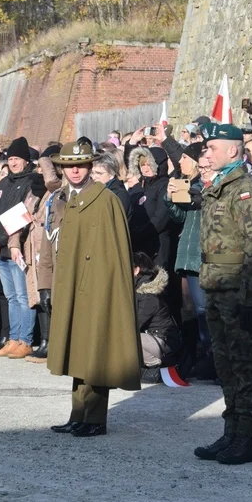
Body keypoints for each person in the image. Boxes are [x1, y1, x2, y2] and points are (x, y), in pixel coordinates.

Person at [47, 140, 141, 438]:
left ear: (89, 167)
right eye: (69, 167)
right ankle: (78, 414)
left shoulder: (105, 200)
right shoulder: (71, 199)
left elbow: (114, 252)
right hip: (75, 286)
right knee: (78, 350)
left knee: (96, 350)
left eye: (80, 165)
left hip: (98, 288)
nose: (75, 171)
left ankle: (95, 418)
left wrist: (106, 292)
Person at [194, 124, 252, 465]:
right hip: (215, 287)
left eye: (212, 148)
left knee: (244, 365)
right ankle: (230, 431)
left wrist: (250, 298)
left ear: (234, 151)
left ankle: (246, 438)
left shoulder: (245, 191)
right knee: (224, 364)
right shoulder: (217, 189)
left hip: (238, 293)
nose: (206, 154)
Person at [0, 137, 45, 359]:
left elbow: (23, 216)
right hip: (0, 250)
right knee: (10, 297)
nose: (13, 163)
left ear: (26, 160)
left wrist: (2, 241)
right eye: (10, 158)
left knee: (23, 296)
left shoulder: (30, 183)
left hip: (18, 248)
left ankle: (25, 340)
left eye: (17, 159)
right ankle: (14, 338)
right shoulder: (4, 183)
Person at [165, 142, 211, 378]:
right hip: (187, 252)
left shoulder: (209, 187)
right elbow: (178, 217)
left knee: (203, 309)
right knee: (190, 309)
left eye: (205, 166)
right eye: (201, 167)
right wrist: (170, 197)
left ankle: (209, 358)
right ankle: (191, 357)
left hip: (203, 254)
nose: (203, 170)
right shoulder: (189, 184)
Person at [21, 151, 62, 363]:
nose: (38, 170)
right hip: (31, 248)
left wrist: (44, 160)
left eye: (42, 167)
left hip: (46, 247)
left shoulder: (57, 190)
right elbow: (21, 217)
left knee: (50, 296)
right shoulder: (32, 192)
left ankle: (53, 342)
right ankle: (44, 340)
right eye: (37, 166)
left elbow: (52, 182)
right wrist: (13, 245)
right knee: (38, 296)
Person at [134, 252, 182, 370]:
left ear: (136, 270)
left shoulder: (148, 293)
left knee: (129, 337)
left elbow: (137, 323)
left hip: (163, 340)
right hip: (155, 337)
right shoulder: (141, 288)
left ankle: (155, 364)